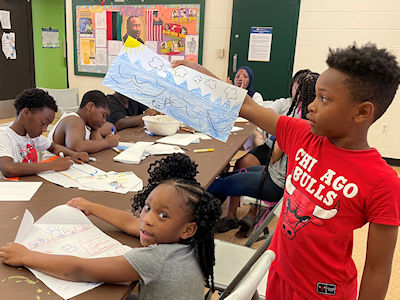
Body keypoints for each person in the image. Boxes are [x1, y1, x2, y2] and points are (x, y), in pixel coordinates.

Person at [172, 43, 400, 299]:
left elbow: (378, 269)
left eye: (323, 99)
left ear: (362, 112)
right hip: (279, 273)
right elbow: (247, 106)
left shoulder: (382, 181)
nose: (311, 106)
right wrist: (200, 73)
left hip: (323, 293)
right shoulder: (302, 134)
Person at [0, 153, 222, 300]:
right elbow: (130, 222)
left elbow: (79, 270)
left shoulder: (156, 258)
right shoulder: (191, 241)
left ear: (187, 229)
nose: (148, 219)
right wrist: (91, 206)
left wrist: (26, 256)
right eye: (147, 207)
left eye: (163, 215)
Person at [209, 71, 319, 234]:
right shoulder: (311, 118)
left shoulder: (298, 122)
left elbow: (274, 156)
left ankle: (210, 219)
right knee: (227, 176)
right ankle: (228, 216)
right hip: (277, 175)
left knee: (214, 185)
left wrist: (277, 139)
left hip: (275, 182)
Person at [0, 88, 89, 178]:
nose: (45, 130)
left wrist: (74, 155)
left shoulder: (32, 135)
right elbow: (8, 168)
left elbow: (53, 147)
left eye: (47, 125)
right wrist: (52, 165)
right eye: (43, 124)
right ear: (26, 113)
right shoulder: (4, 135)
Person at [49, 90, 119, 154]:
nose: (104, 120)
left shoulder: (87, 123)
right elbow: (77, 147)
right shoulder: (73, 120)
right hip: (53, 164)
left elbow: (112, 127)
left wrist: (95, 130)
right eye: (103, 115)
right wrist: (107, 143)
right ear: (90, 106)